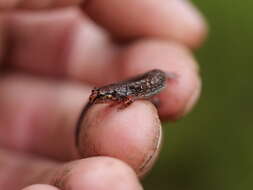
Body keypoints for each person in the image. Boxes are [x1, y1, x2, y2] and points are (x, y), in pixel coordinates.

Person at [0, 0, 207, 189]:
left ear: (112, 96)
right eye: (97, 96)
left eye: (101, 96)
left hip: (156, 78)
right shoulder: (121, 92)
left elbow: (130, 97)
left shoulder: (129, 92)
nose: (98, 99)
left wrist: (126, 101)